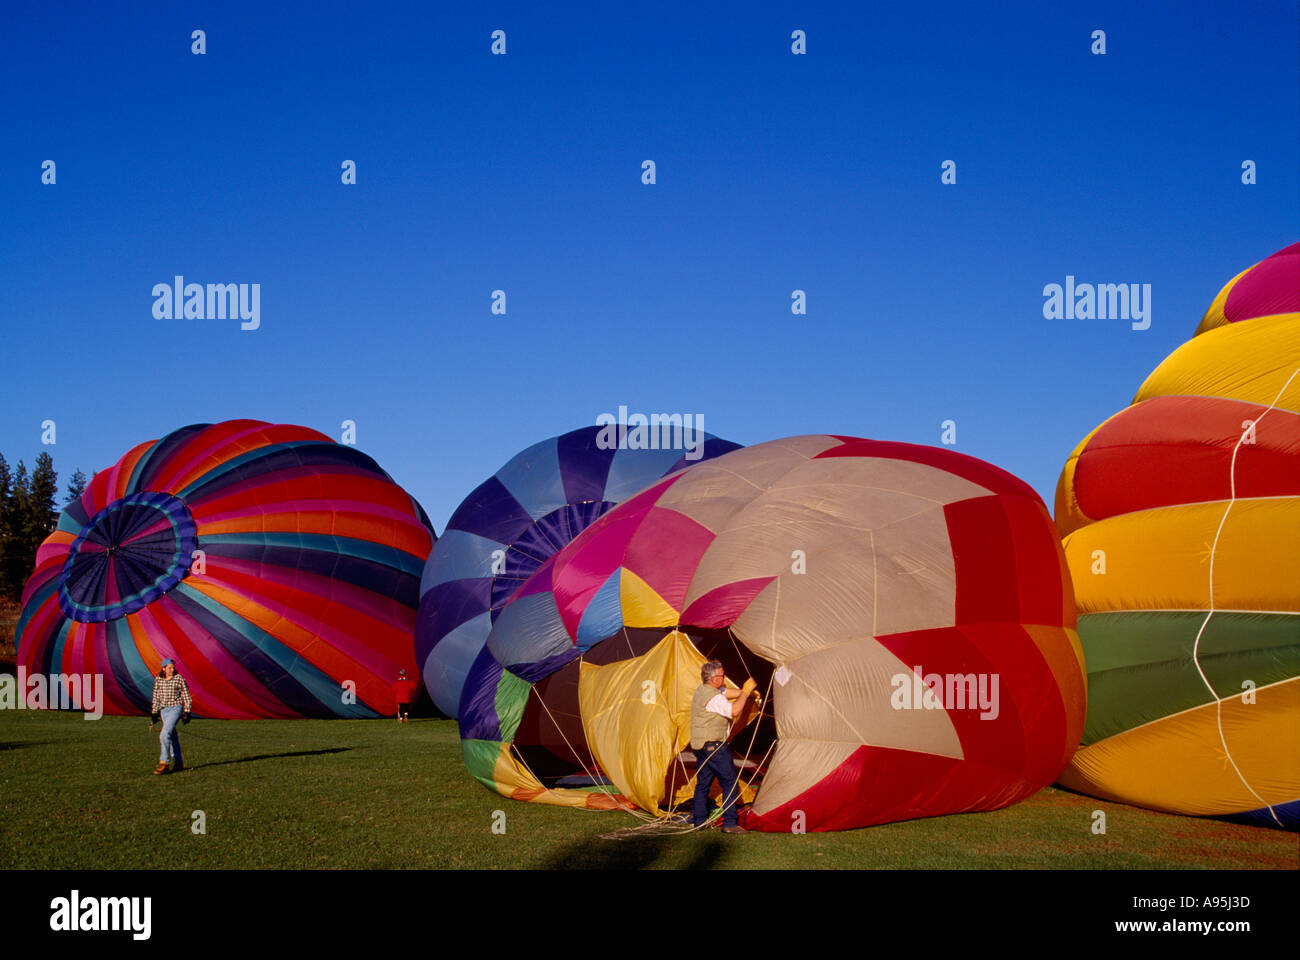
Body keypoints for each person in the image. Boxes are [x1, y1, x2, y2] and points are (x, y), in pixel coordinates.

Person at [690, 660, 757, 833]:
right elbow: (734, 711)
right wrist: (746, 691)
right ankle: (730, 823)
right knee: (730, 782)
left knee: (703, 784)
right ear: (713, 679)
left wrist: (746, 693)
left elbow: (727, 692)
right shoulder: (714, 698)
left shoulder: (703, 690)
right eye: (722, 675)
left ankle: (699, 821)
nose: (725, 677)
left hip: (701, 746)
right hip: (714, 745)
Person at [150, 658, 192, 774]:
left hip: (175, 708)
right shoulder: (158, 680)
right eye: (169, 668)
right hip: (164, 711)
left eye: (173, 667)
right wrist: (154, 712)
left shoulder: (179, 679)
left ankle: (164, 763)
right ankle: (178, 762)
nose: (172, 669)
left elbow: (186, 695)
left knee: (164, 734)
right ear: (163, 668)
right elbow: (156, 697)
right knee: (172, 737)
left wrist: (187, 711)